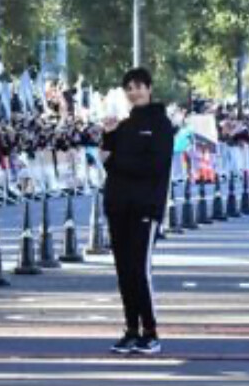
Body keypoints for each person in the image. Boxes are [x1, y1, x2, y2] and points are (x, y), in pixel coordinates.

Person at [100, 67, 176, 356]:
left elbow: (154, 166)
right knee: (123, 272)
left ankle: (151, 333)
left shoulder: (161, 125)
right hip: (118, 206)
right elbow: (106, 159)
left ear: (149, 88)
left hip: (145, 206)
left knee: (139, 270)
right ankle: (131, 330)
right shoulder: (123, 126)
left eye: (139, 87)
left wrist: (117, 162)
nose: (134, 92)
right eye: (129, 88)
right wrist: (108, 136)